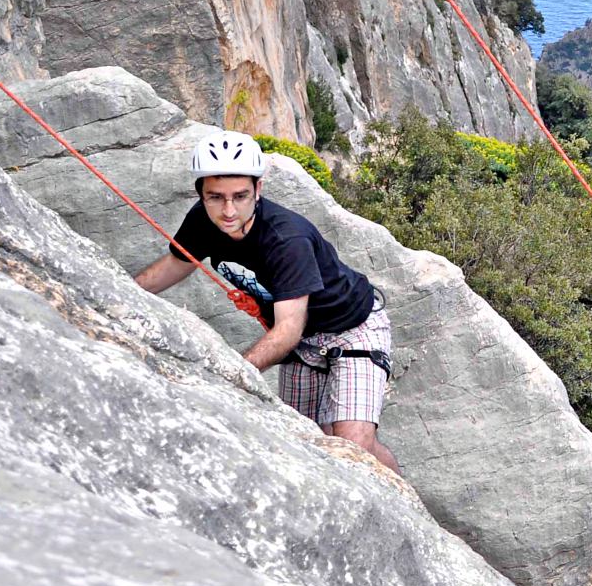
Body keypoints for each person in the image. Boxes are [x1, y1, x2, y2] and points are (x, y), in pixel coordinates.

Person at [133, 130, 399, 474]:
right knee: (310, 443)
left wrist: (235, 369)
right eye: (215, 197)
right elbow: (174, 266)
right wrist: (118, 289)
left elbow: (288, 328)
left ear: (258, 190)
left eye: (240, 196)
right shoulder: (202, 221)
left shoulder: (286, 238)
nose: (228, 210)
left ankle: (405, 503)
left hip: (353, 328)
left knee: (353, 444)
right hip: (303, 343)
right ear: (201, 193)